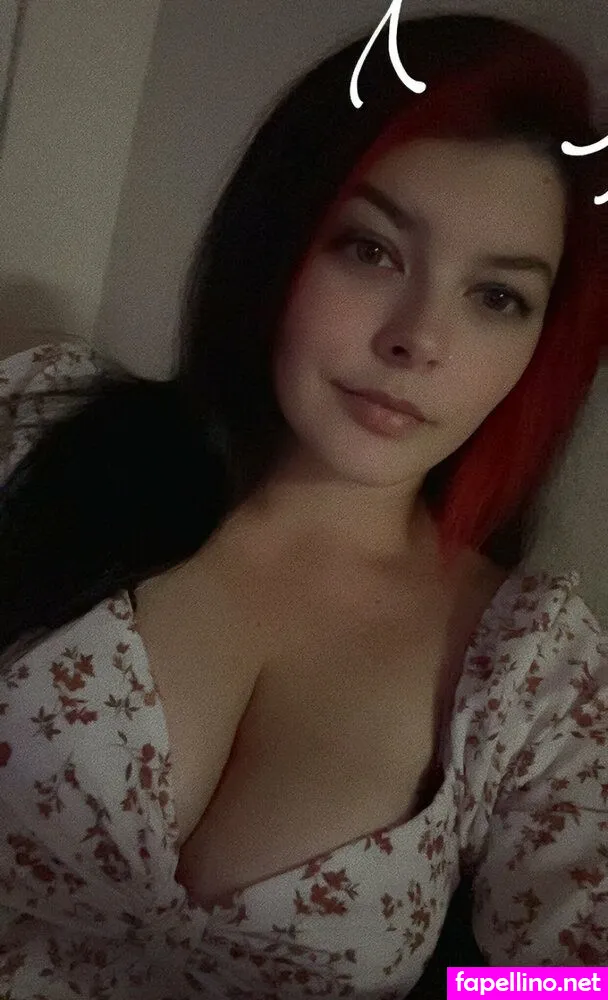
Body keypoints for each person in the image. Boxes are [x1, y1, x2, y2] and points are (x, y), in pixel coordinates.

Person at [0, 11, 607, 999]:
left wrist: (458, 992)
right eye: (370, 250)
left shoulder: (529, 672)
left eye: (497, 296)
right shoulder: (42, 429)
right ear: (280, 241)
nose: (418, 338)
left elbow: (581, 982)